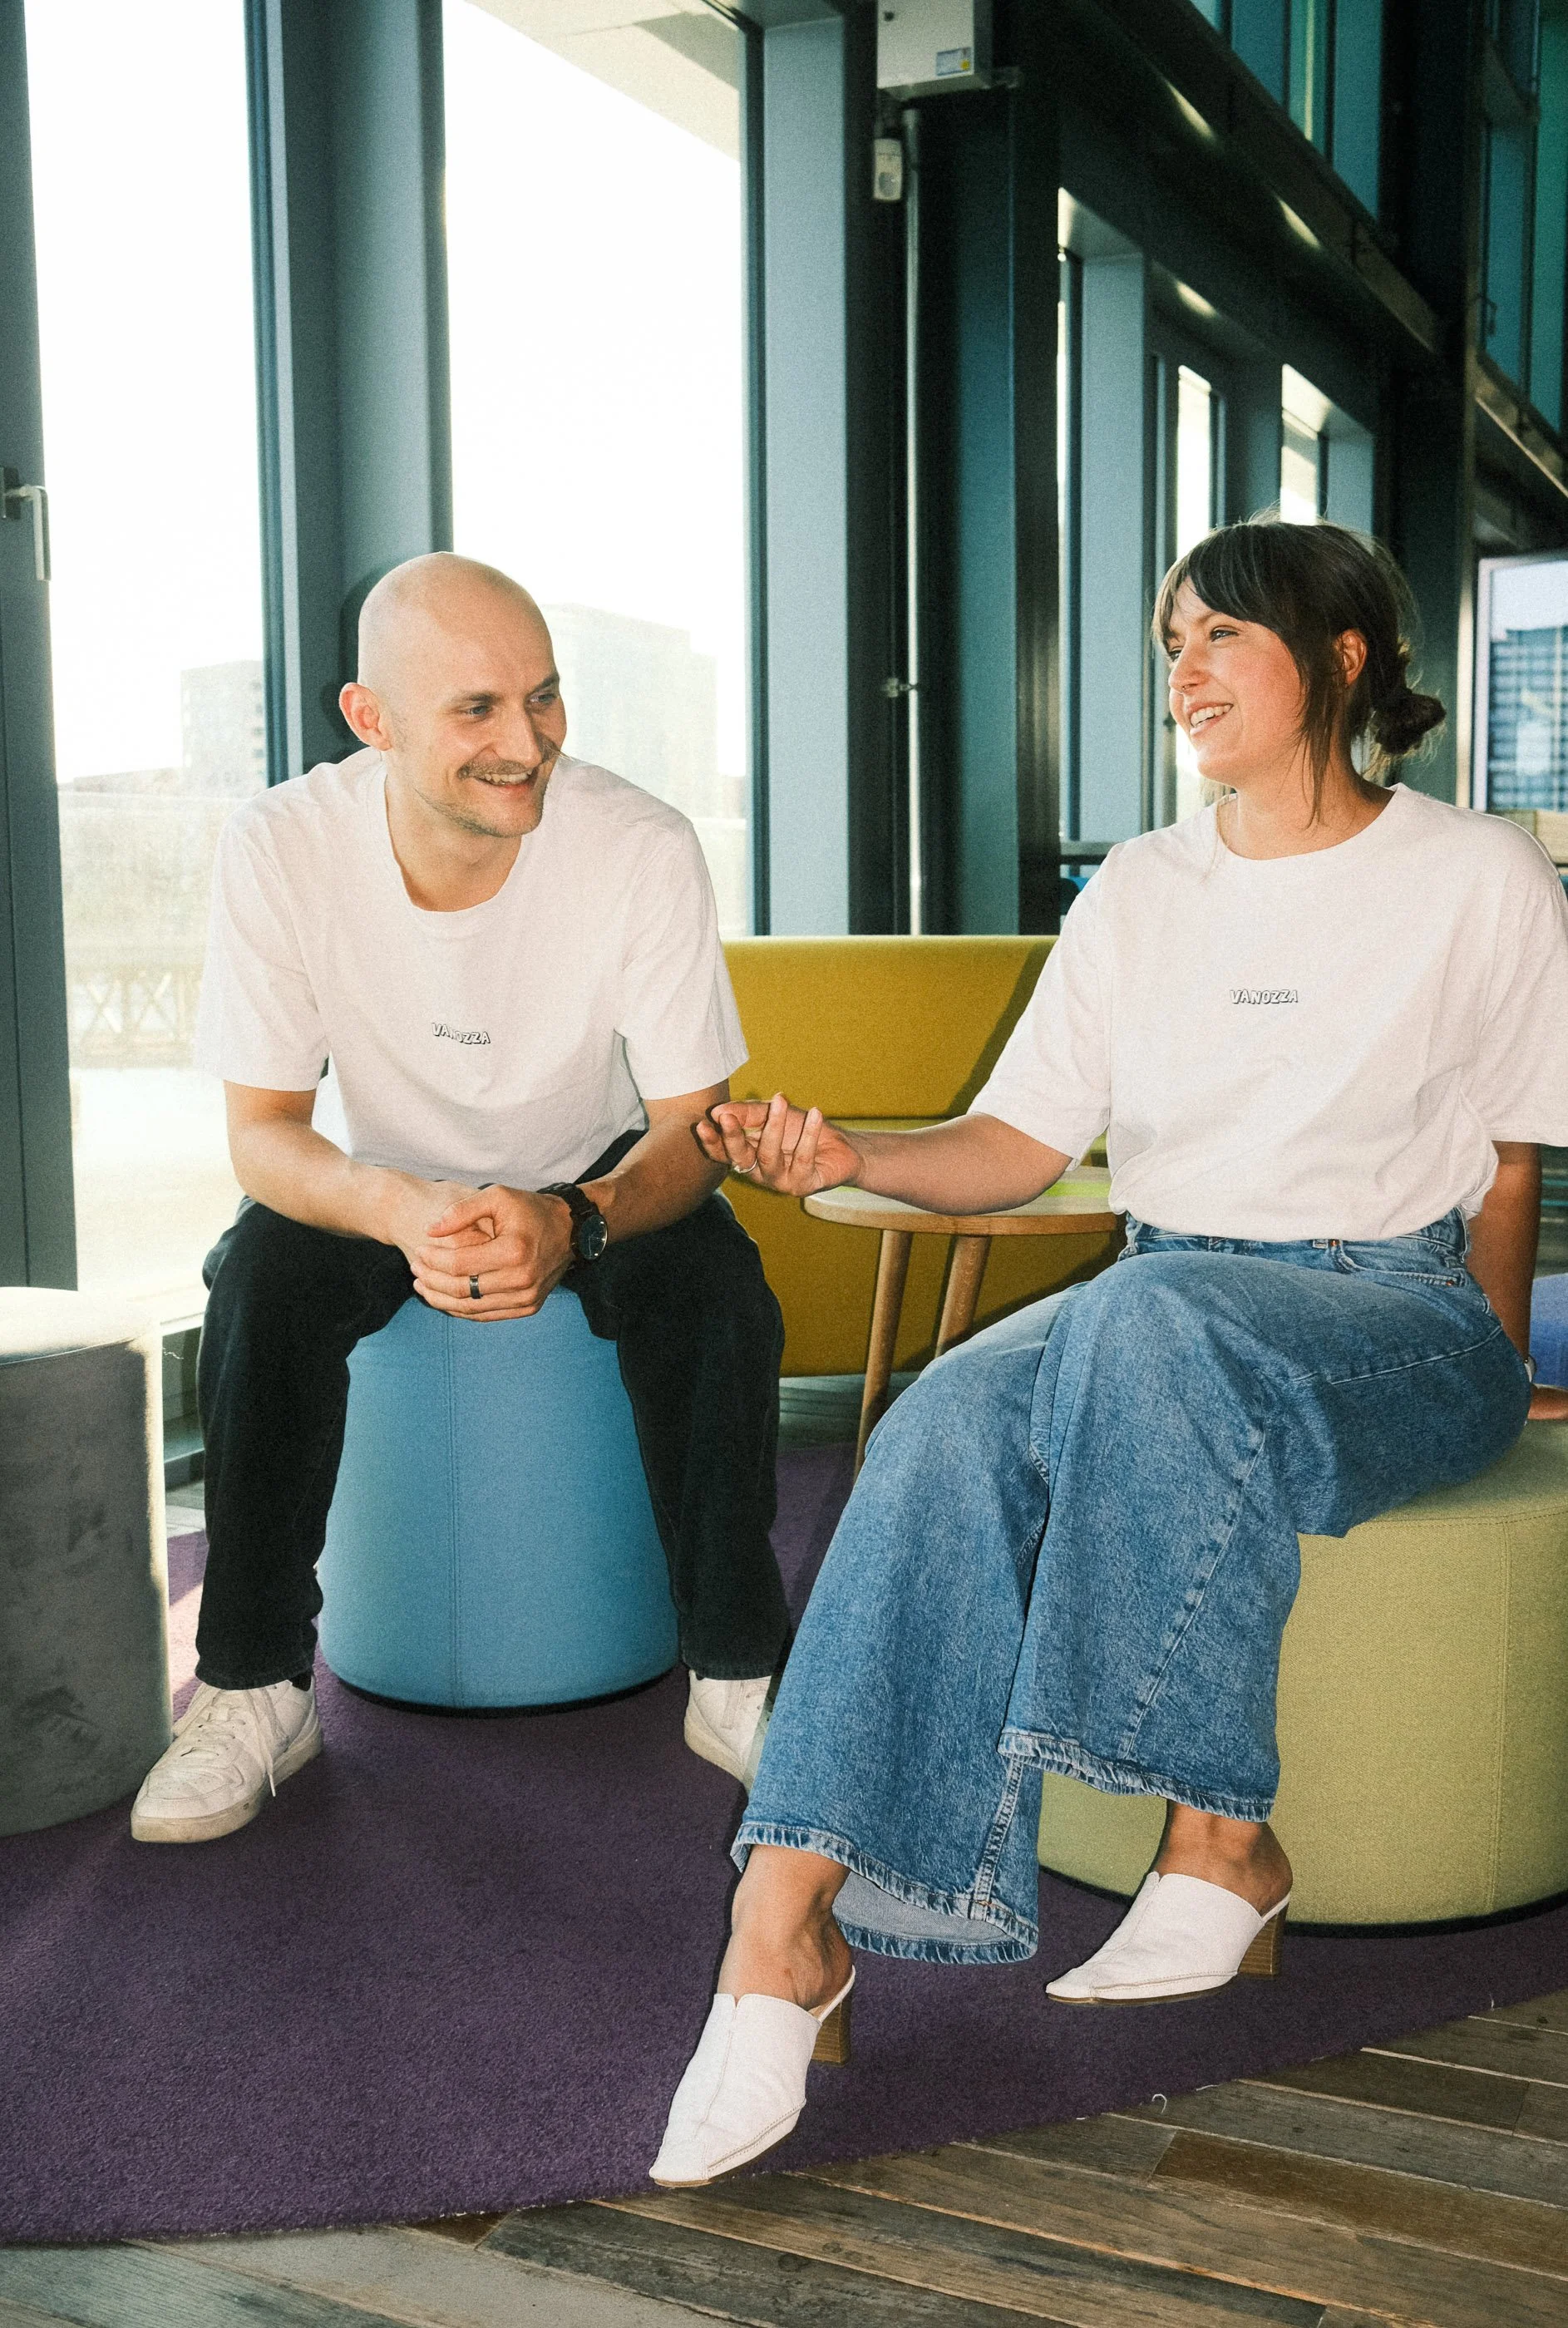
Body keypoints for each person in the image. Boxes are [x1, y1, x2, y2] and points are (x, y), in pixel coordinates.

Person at [649, 517, 1568, 2188]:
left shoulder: (1477, 874)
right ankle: (781, 1934)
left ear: (1342, 656)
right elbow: (1012, 1146)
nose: (1183, 673)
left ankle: (1214, 1835)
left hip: (1394, 1310)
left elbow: (1507, 1164)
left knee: (1144, 1324)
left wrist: (1496, 1378)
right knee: (937, 1422)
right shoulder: (1142, 889)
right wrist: (848, 1153)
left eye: (1221, 635)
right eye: (1170, 645)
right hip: (1165, 1294)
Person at [131, 553, 791, 1845]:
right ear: (370, 718)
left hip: (597, 1170)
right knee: (257, 1276)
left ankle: (736, 1672)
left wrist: (576, 1219)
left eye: (542, 697)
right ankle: (255, 1687)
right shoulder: (280, 844)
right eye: (478, 709)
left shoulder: (640, 845)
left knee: (716, 1282)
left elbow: (695, 1130)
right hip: (389, 1178)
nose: (528, 743)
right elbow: (264, 1135)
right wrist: (390, 1207)